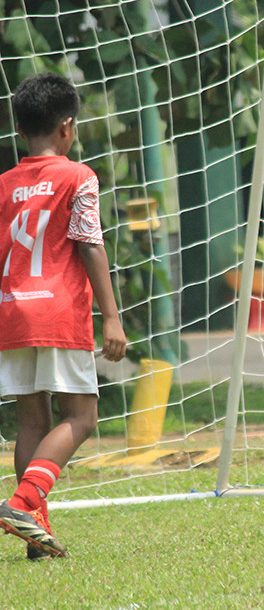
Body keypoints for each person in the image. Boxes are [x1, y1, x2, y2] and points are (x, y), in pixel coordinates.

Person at [0, 73, 128, 557]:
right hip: (57, 312)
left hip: (12, 312)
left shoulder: (3, 185)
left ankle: (35, 533)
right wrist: (111, 316)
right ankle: (23, 503)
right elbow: (89, 243)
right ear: (67, 127)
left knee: (32, 421)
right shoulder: (78, 176)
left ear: (19, 129)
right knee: (82, 416)